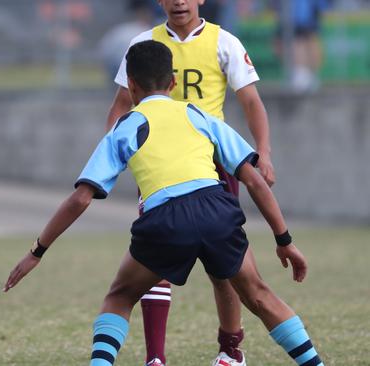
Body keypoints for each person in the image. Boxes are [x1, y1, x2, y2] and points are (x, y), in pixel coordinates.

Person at [3, 40, 324, 366]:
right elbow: (254, 180)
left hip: (166, 219)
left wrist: (37, 251)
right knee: (259, 295)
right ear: (172, 82)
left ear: (130, 84)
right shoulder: (197, 114)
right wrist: (284, 241)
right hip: (216, 209)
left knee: (120, 296)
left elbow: (80, 199)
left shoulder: (123, 127)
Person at [105, 1, 276, 364]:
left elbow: (251, 102)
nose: (179, 1)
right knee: (155, 261)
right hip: (160, 163)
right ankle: (155, 357)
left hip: (213, 162)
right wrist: (114, 152)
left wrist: (264, 152)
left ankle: (230, 349)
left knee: (223, 265)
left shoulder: (223, 42)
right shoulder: (143, 44)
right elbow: (120, 104)